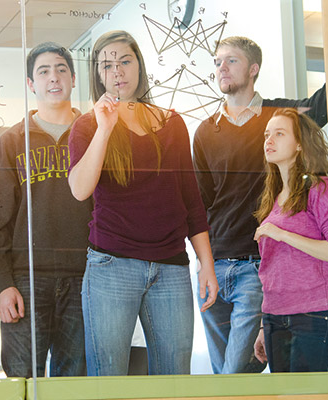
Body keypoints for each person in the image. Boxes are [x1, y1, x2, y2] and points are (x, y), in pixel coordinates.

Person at [68, 30, 217, 376]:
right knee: (109, 380)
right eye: (107, 65)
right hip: (111, 266)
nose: (117, 71)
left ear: (139, 66)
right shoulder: (87, 127)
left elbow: (192, 200)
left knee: (174, 380)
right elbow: (79, 189)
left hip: (171, 268)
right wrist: (105, 128)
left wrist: (205, 263)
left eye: (125, 61)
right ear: (97, 74)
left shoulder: (172, 123)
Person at [192, 36, 328, 374]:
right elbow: (201, 205)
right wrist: (204, 264)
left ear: (253, 69)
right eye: (218, 62)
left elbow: (323, 104)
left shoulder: (280, 118)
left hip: (259, 265)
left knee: (235, 374)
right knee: (225, 373)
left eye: (231, 61)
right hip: (215, 269)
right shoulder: (206, 132)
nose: (222, 68)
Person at [0, 42, 92, 378]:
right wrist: (2, 284)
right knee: (22, 380)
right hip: (26, 281)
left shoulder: (95, 135)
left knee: (72, 383)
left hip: (84, 278)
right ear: (31, 84)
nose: (53, 77)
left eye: (61, 69)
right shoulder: (12, 142)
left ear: (74, 79)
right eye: (43, 71)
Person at [252, 108, 328, 371]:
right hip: (275, 315)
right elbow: (271, 268)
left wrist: (281, 234)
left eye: (279, 134)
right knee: (284, 395)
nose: (269, 141)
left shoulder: (322, 189)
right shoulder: (274, 197)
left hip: (313, 314)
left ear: (299, 144)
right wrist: (264, 324)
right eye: (266, 135)